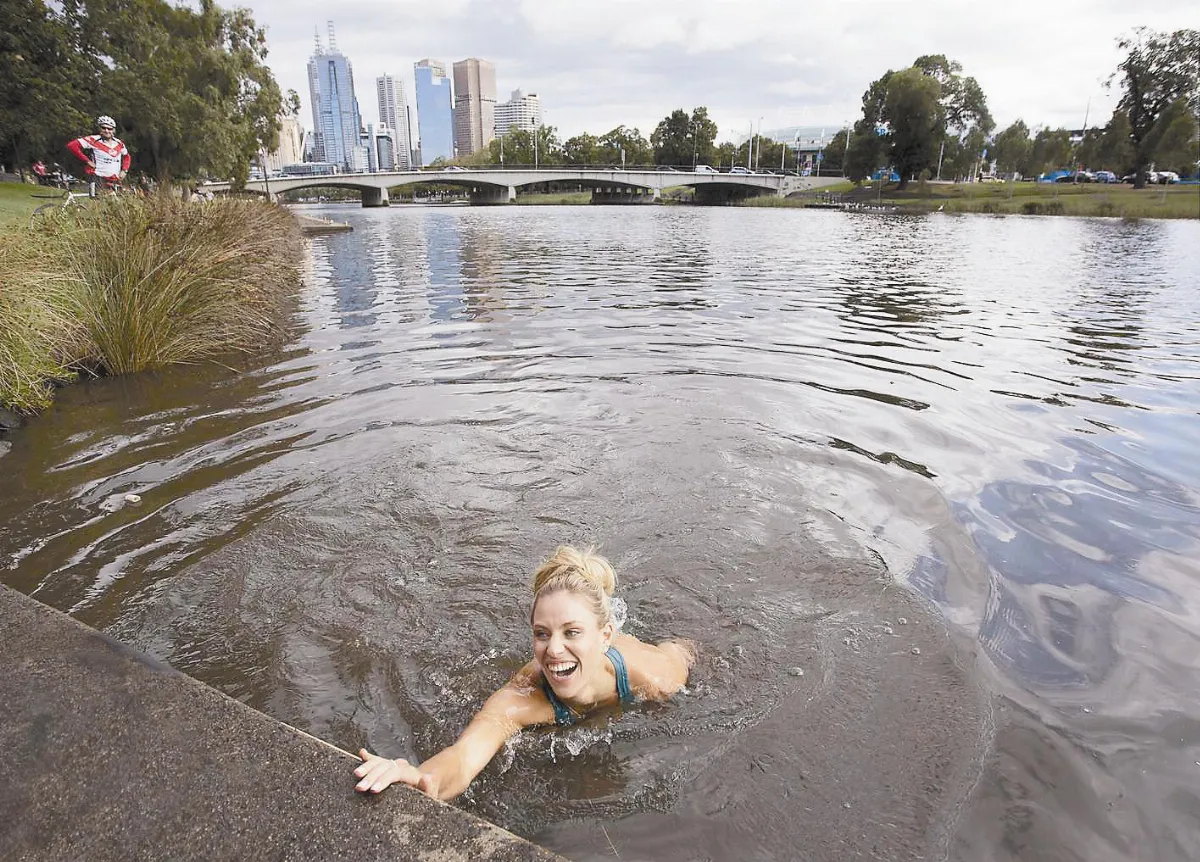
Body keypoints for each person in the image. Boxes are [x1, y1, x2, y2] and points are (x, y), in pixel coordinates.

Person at [354, 546, 696, 800]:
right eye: (542, 634)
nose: (554, 650)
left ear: (605, 636)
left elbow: (687, 651)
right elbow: (464, 757)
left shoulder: (653, 676)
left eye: (572, 632)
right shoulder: (520, 699)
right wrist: (416, 776)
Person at [66, 115, 130, 193]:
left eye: (110, 128)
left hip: (114, 178)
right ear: (99, 129)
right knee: (99, 202)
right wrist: (87, 161)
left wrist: (124, 170)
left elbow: (127, 156)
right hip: (97, 176)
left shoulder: (119, 143)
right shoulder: (93, 139)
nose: (106, 131)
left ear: (113, 130)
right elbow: (72, 146)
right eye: (103, 128)